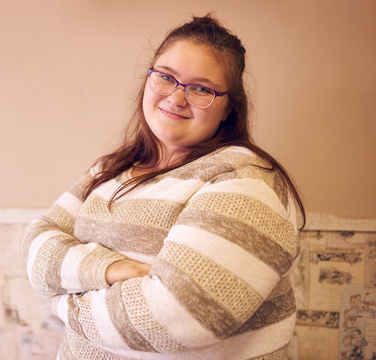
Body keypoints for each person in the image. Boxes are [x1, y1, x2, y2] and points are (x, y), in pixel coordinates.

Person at [23, 14, 305, 360]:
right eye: (166, 77)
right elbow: (36, 243)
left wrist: (60, 301)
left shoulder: (246, 182)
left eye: (201, 88)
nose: (176, 97)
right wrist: (108, 268)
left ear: (229, 108)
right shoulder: (109, 169)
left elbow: (177, 318)